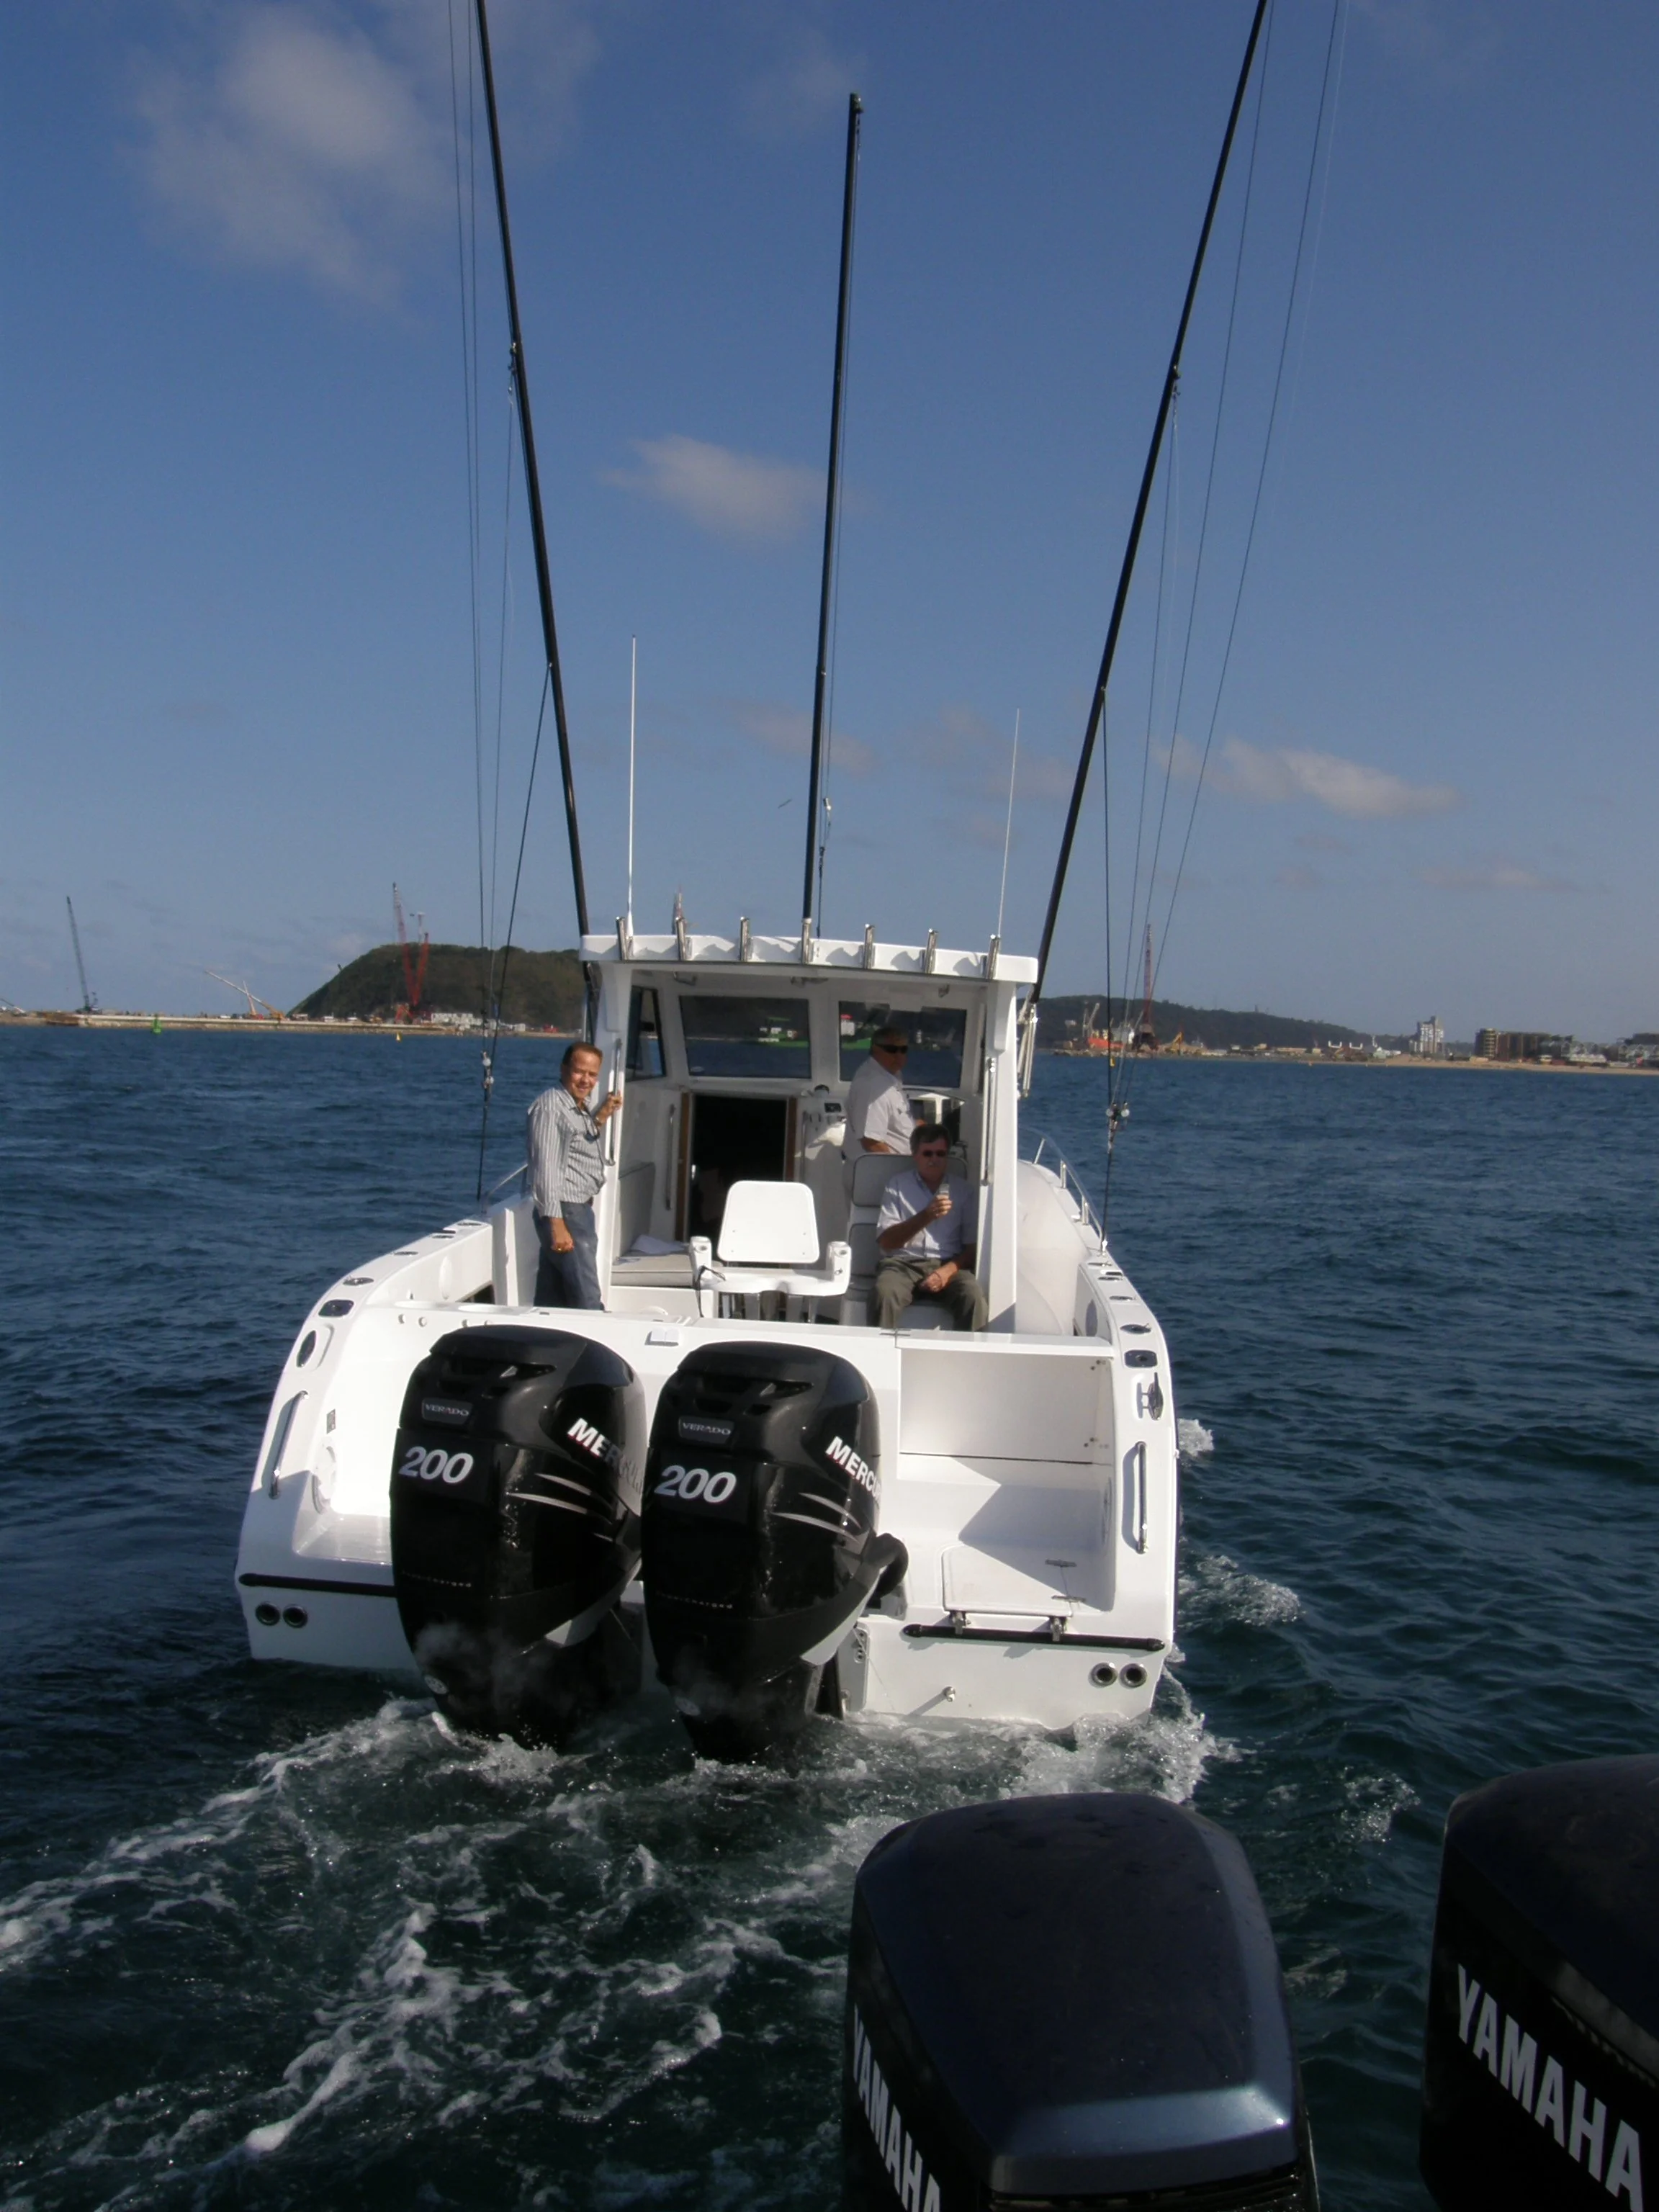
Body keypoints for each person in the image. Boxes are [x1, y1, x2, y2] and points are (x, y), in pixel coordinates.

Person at [526, 1041, 621, 1308]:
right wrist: (556, 1224)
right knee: (587, 1297)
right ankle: (598, 1341)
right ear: (564, 1069)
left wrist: (601, 1114)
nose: (586, 1080)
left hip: (576, 1209)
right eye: (580, 1072)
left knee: (552, 1297)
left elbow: (578, 1140)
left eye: (592, 1075)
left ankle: (546, 1342)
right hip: (566, 1212)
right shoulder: (551, 1107)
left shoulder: (576, 1106)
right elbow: (545, 1168)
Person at [873, 1123, 988, 1332]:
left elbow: (971, 1249)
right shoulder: (897, 1185)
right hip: (902, 1263)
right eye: (928, 1153)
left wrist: (947, 1271)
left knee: (972, 1296)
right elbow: (887, 1242)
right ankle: (879, 1355)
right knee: (885, 1291)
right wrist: (927, 1215)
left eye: (940, 1154)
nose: (934, 1160)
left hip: (948, 1264)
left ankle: (971, 1359)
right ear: (915, 1155)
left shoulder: (964, 1191)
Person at [843, 1025, 916, 1164]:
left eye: (903, 1050)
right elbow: (871, 1142)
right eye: (892, 1050)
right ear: (876, 1049)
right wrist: (896, 1170)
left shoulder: (890, 1075)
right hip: (877, 1172)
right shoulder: (872, 1085)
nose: (899, 1055)